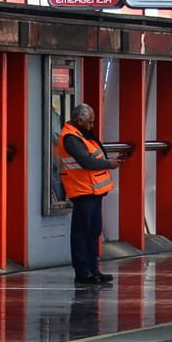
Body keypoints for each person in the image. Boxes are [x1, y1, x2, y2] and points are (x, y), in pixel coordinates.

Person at [58, 103, 124, 285]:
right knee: (82, 231)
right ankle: (82, 271)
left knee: (94, 230)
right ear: (80, 121)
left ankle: (93, 269)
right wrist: (109, 164)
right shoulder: (71, 137)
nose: (92, 126)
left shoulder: (82, 135)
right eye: (90, 122)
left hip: (93, 190)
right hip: (82, 191)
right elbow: (87, 161)